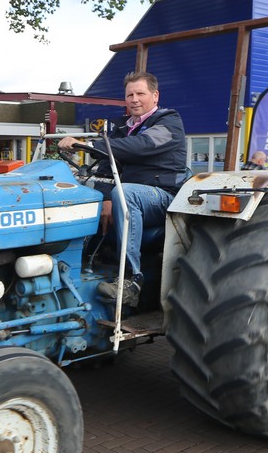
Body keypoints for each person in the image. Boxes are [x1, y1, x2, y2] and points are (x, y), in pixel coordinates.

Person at [58, 70, 187, 308]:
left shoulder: (168, 122)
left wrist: (89, 144)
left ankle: (131, 279)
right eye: (130, 95)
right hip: (125, 195)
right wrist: (106, 198)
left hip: (163, 197)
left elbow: (142, 145)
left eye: (140, 94)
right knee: (80, 190)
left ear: (155, 96)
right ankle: (72, 264)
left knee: (125, 193)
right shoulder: (121, 128)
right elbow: (105, 169)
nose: (134, 99)